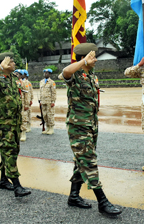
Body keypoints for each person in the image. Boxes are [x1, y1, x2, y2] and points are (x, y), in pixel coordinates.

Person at [61, 43, 122, 216]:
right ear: (83, 58)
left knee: (80, 160)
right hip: (78, 125)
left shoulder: (91, 75)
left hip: (91, 124)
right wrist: (82, 62)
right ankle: (102, 201)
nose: (95, 59)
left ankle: (74, 196)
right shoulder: (75, 74)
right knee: (88, 160)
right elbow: (65, 72)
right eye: (92, 57)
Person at [0, 52, 31, 197]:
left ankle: (3, 180)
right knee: (9, 150)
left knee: (11, 150)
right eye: (11, 62)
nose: (14, 64)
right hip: (2, 123)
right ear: (3, 64)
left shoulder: (14, 77)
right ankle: (17, 185)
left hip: (14, 121)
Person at [14, 70, 31, 141]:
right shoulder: (13, 83)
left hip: (22, 104)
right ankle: (18, 133)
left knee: (23, 119)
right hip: (15, 104)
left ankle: (23, 133)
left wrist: (27, 104)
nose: (16, 75)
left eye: (17, 74)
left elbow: (26, 94)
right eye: (15, 74)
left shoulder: (23, 83)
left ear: (21, 75)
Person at [39, 69, 56, 135]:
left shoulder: (52, 82)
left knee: (50, 115)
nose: (45, 74)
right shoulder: (41, 82)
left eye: (47, 73)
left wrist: (53, 101)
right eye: (45, 73)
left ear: (50, 74)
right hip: (43, 101)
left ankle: (51, 128)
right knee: (45, 115)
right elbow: (41, 92)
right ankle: (47, 127)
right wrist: (40, 100)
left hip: (49, 101)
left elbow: (54, 92)